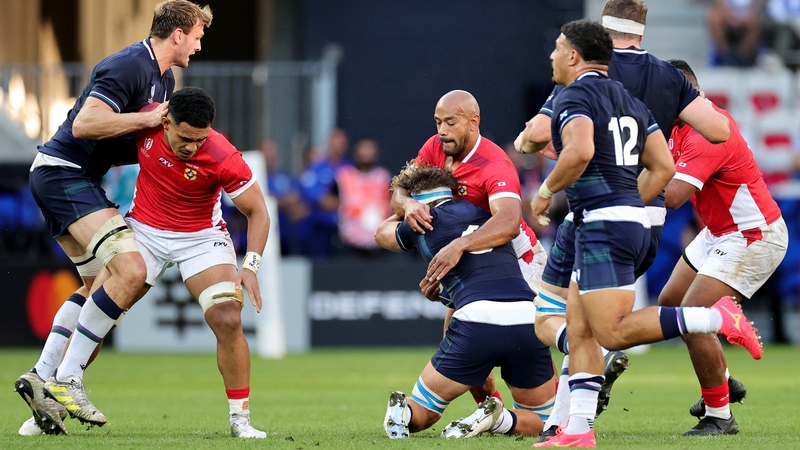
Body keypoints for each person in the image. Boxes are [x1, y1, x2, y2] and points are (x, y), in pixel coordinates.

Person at [530, 19, 762, 448]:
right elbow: (666, 167)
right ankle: (575, 429)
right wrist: (633, 205)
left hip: (602, 222)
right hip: (631, 219)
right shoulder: (636, 102)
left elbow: (559, 145)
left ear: (577, 55)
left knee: (606, 331)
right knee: (579, 326)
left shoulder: (579, 93)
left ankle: (716, 319)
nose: (552, 55)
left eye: (558, 47)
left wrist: (545, 189)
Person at [16, 0, 213, 435]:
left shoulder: (165, 78)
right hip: (63, 172)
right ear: (178, 33)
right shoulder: (129, 65)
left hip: (68, 177)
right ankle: (68, 379)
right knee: (131, 268)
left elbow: (137, 136)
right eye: (197, 36)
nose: (199, 46)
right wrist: (148, 119)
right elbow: (86, 124)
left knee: (96, 285)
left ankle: (42, 377)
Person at [391, 89, 549, 408]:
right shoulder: (436, 147)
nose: (442, 131)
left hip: (520, 258)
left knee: (534, 337)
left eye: (450, 122)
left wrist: (458, 247)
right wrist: (407, 204)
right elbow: (399, 188)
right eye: (438, 122)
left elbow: (508, 222)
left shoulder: (494, 164)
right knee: (458, 335)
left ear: (473, 121)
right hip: (475, 258)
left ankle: (575, 389)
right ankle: (491, 410)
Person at [376, 163, 555, 439]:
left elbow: (380, 234)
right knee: (543, 420)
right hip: (525, 316)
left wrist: (405, 206)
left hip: (476, 321)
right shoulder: (489, 214)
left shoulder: (420, 222)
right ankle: (498, 419)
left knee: (423, 415)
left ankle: (403, 412)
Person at [660, 59, 788, 436]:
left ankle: (720, 416)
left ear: (684, 93)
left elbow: (672, 196)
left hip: (753, 233)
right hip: (720, 231)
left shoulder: (706, 132)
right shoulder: (681, 124)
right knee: (670, 305)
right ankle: (725, 379)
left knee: (690, 314)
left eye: (664, 94)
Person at [297, 127, 350, 258]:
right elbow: (319, 199)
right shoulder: (317, 167)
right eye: (335, 142)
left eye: (341, 143)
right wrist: (343, 202)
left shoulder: (350, 168)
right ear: (329, 142)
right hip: (320, 228)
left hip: (345, 229)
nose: (338, 147)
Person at [336, 138, 392, 256]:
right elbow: (329, 200)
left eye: (370, 148)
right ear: (355, 152)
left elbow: (391, 201)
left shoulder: (383, 176)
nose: (366, 153)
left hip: (379, 243)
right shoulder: (344, 175)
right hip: (350, 242)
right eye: (363, 148)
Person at [261, 139, 309, 256]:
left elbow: (298, 203)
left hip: (286, 236)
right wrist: (283, 201)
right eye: (266, 154)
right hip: (263, 237)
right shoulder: (255, 179)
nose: (270, 157)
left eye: (272, 153)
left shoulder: (285, 178)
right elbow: (261, 200)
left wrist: (278, 201)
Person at [707, 0, 766, 67]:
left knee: (754, 23)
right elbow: (719, 4)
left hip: (749, 15)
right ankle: (725, 56)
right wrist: (730, 17)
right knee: (714, 18)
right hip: (726, 14)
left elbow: (757, 5)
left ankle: (742, 57)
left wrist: (745, 16)